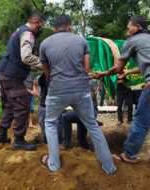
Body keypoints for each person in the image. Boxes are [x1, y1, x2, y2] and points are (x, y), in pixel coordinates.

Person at [95, 16, 150, 172]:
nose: (127, 31)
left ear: (137, 27)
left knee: (141, 120)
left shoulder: (131, 41)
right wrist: (129, 72)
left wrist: (102, 73)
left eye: (128, 28)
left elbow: (118, 68)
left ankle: (130, 154)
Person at [39, 15, 116, 174]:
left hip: (57, 90)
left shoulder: (45, 43)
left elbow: (45, 70)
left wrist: (52, 78)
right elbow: (86, 68)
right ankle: (109, 167)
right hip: (81, 89)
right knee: (92, 126)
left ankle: (54, 164)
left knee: (51, 123)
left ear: (54, 28)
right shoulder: (81, 41)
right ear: (69, 26)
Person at [0, 11, 45, 151]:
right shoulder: (28, 34)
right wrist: (44, 64)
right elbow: (26, 56)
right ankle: (18, 140)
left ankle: (2, 135)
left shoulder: (19, 30)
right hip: (12, 77)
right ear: (36, 23)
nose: (41, 28)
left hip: (5, 74)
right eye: (41, 25)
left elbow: (20, 57)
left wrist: (31, 67)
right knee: (22, 106)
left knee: (10, 106)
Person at [37, 73, 63, 144]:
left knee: (57, 125)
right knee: (45, 125)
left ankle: (58, 142)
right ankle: (47, 142)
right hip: (45, 106)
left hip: (54, 106)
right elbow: (40, 81)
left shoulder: (59, 78)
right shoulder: (43, 79)